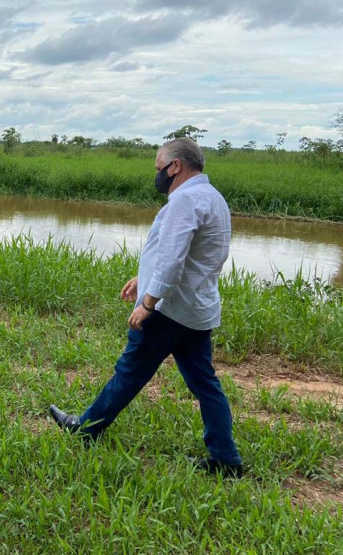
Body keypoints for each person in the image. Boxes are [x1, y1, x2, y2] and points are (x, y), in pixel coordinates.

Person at [49, 137, 243, 478]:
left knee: (130, 371)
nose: (157, 175)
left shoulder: (185, 201)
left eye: (159, 168)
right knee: (205, 382)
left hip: (170, 310)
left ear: (176, 166)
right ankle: (226, 458)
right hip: (196, 309)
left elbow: (173, 258)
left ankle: (86, 427)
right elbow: (191, 257)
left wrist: (149, 302)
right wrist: (143, 279)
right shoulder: (213, 197)